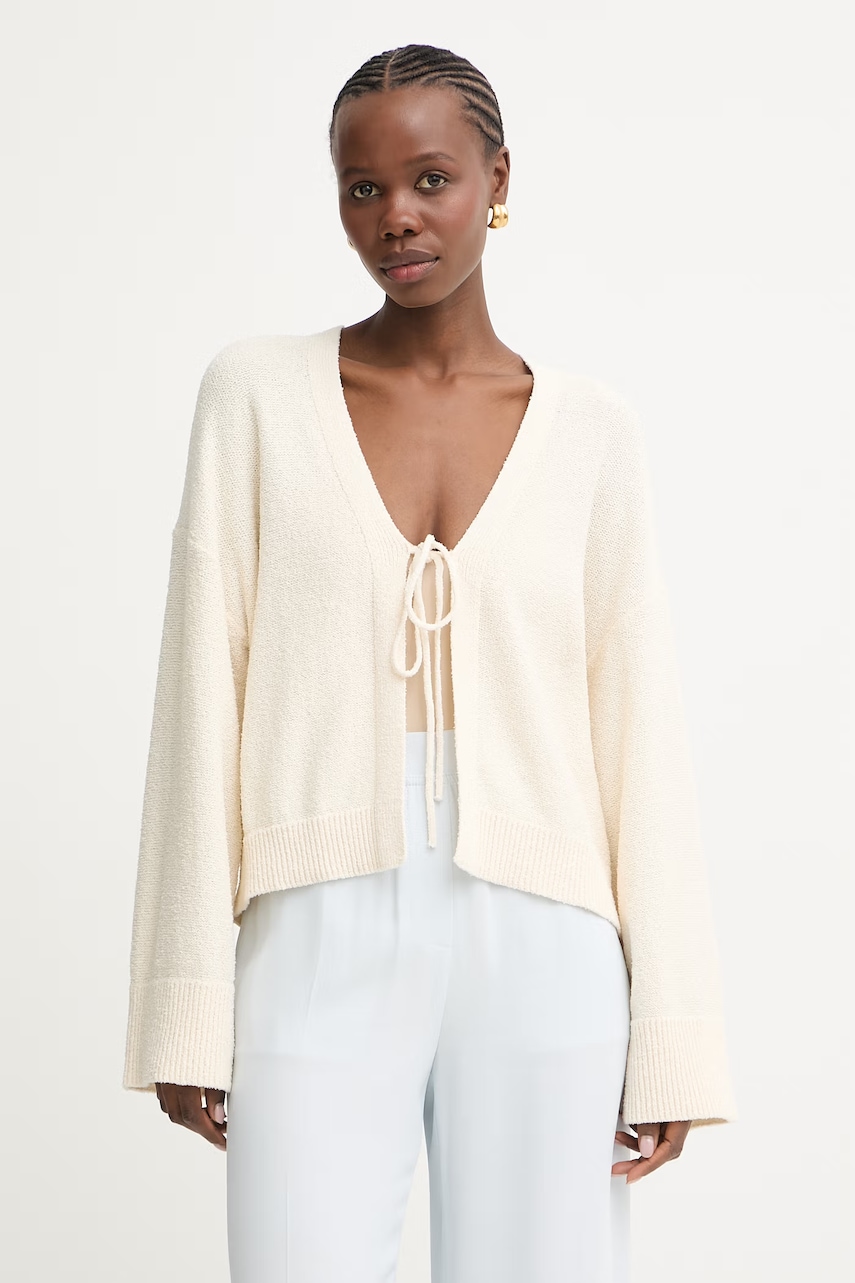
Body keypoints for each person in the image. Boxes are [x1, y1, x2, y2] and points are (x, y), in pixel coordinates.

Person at [122, 42, 737, 1282]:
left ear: (497, 180)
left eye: (430, 179)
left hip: (546, 936)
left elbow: (641, 729)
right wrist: (185, 995)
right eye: (363, 188)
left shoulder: (594, 433)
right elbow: (199, 696)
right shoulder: (254, 397)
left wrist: (673, 1024)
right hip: (315, 923)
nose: (394, 216)